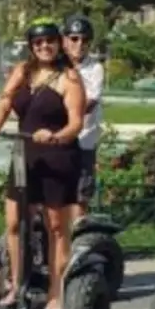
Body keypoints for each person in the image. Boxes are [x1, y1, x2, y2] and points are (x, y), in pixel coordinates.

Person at [0, 18, 85, 309]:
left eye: (50, 41)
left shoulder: (70, 78)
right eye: (38, 43)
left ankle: (56, 292)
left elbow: (76, 122)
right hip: (25, 155)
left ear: (59, 43)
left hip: (57, 158)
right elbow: (5, 99)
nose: (45, 47)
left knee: (55, 228)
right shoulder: (23, 72)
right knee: (14, 223)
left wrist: (57, 136)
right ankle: (17, 284)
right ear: (31, 47)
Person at [62, 14, 104, 207]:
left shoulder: (95, 68)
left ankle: (78, 236)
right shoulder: (56, 67)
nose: (79, 44)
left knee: (81, 197)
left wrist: (60, 114)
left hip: (84, 141)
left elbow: (90, 102)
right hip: (58, 142)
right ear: (64, 40)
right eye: (74, 38)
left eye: (85, 40)